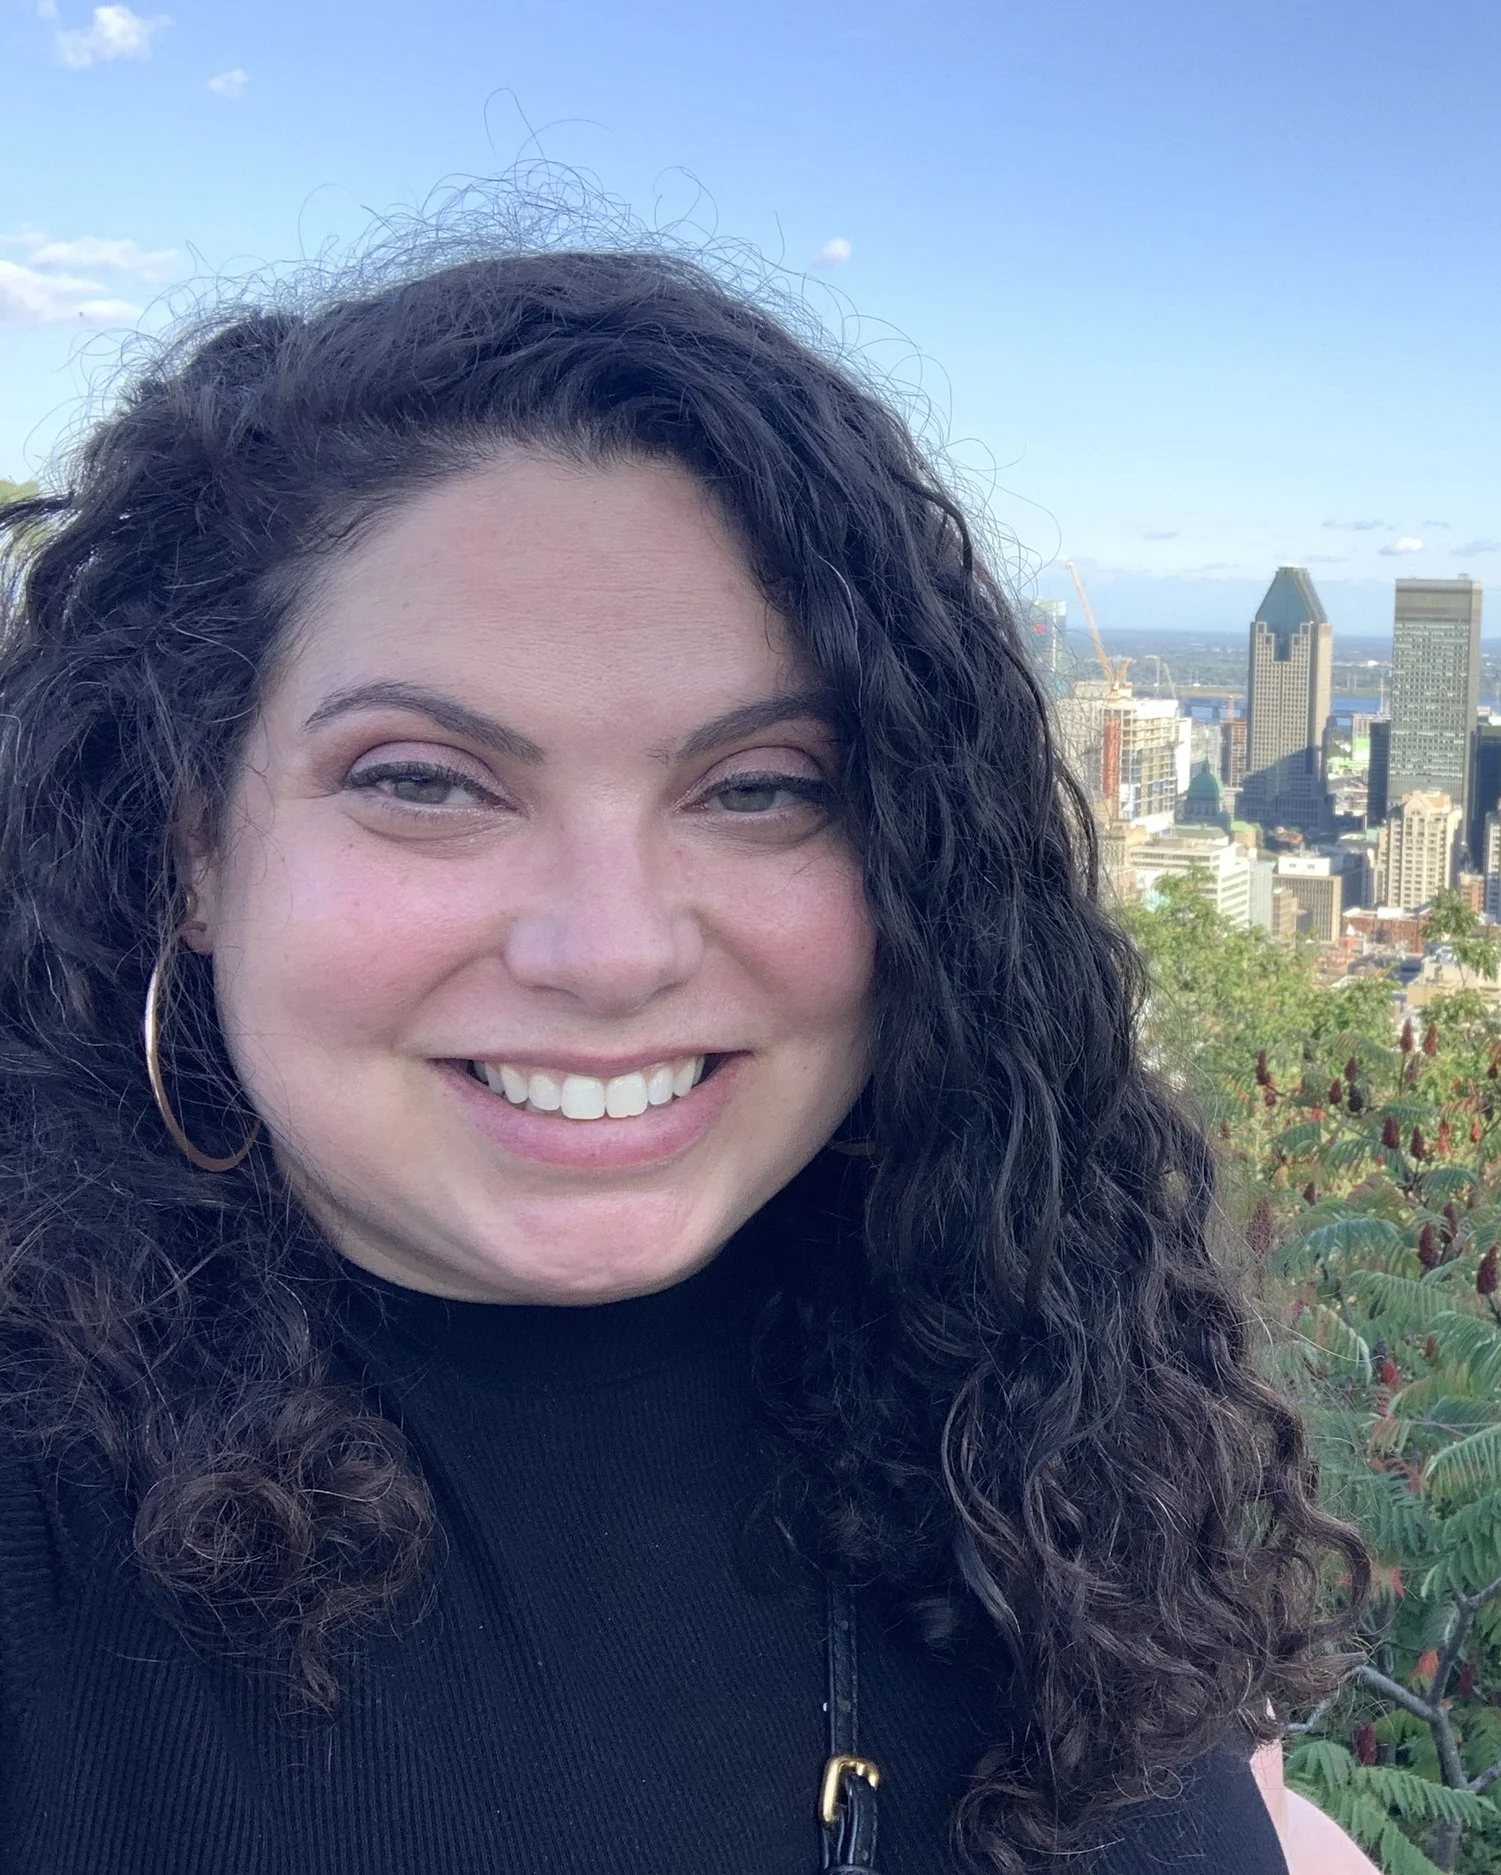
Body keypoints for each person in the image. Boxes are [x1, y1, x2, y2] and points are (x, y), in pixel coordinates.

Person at [0, 236, 1372, 1874]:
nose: (614, 947)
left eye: (761, 785)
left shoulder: (1050, 1422)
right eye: (426, 779)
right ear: (193, 846)